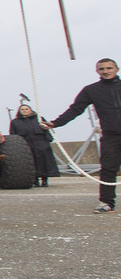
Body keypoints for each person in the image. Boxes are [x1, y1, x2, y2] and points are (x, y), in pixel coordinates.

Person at [42, 58, 121, 212]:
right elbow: (75, 109)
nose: (105, 71)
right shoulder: (91, 90)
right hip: (111, 136)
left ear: (116, 69)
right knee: (108, 169)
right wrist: (56, 123)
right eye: (102, 69)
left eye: (109, 68)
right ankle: (106, 202)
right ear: (97, 71)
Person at [9, 103, 58, 187]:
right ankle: (35, 180)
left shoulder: (39, 119)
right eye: (22, 109)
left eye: (26, 109)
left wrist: (48, 140)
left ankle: (45, 179)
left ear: (30, 110)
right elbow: (13, 134)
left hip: (41, 143)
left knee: (44, 162)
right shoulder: (15, 122)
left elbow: (47, 130)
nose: (24, 111)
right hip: (26, 145)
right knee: (30, 163)